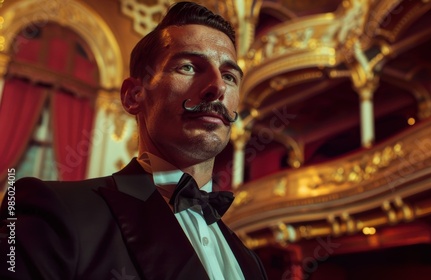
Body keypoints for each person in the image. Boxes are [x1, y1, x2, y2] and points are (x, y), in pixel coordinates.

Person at [0, 2, 268, 279]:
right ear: (133, 96)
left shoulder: (251, 263)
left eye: (229, 75)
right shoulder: (56, 211)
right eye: (189, 67)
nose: (218, 86)